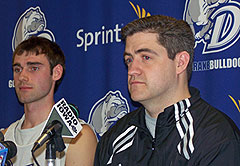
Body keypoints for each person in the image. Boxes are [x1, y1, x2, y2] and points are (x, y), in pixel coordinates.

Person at [94, 15, 240, 165]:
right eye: (129, 60)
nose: (132, 70)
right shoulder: (114, 138)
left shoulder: (215, 137)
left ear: (180, 63)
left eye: (146, 57)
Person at [2, 36, 97, 165]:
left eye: (33, 68)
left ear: (56, 72)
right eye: (17, 69)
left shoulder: (77, 136)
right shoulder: (4, 137)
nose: (22, 77)